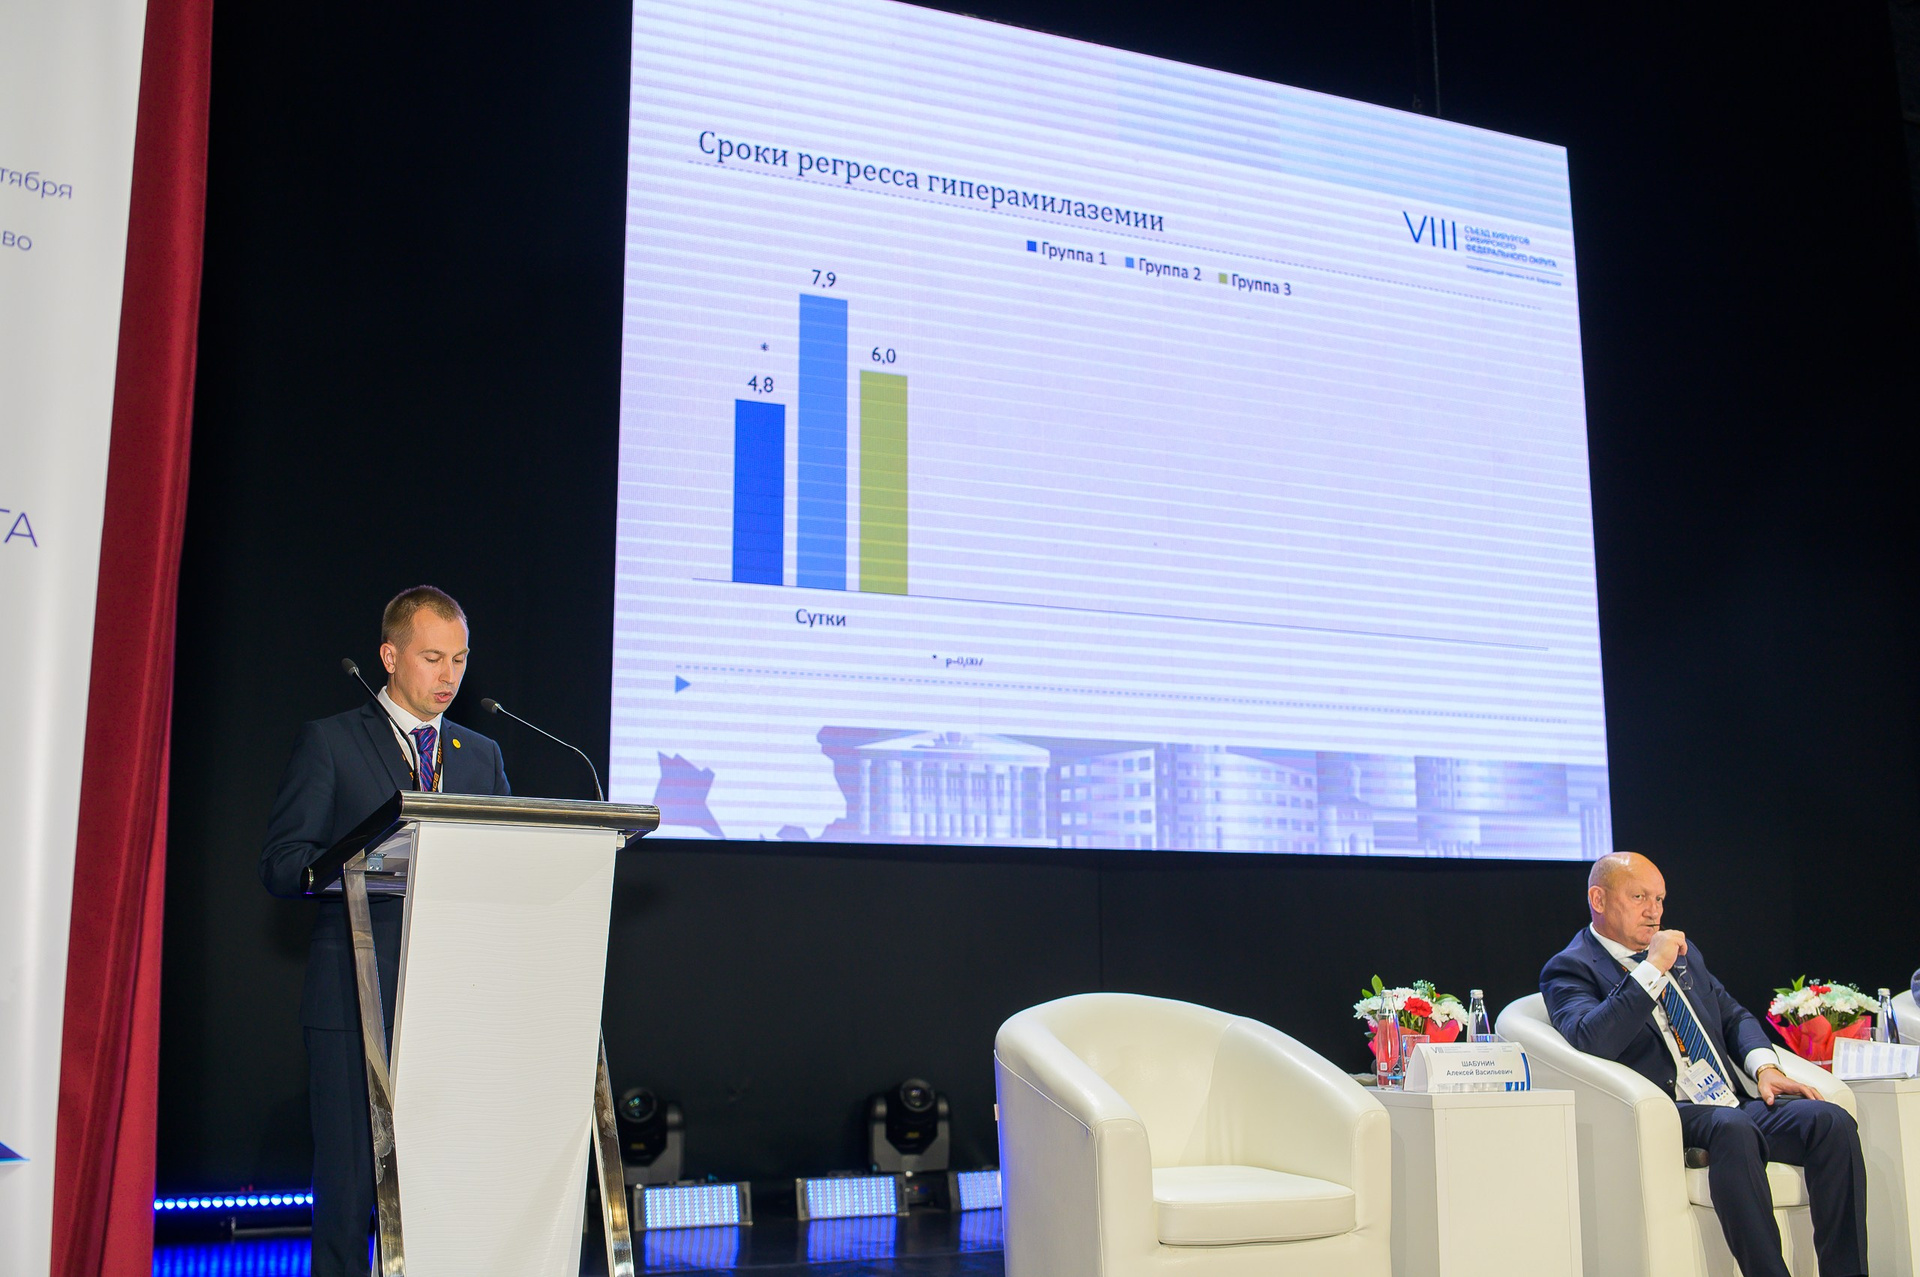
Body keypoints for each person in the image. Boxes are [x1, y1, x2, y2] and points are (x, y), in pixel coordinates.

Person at [260, 586, 509, 1277]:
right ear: (390, 656)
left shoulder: (480, 753)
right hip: (354, 998)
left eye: (459, 659)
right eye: (432, 658)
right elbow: (283, 863)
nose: (449, 675)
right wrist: (365, 863)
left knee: (441, 1182)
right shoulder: (332, 741)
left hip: (452, 1003)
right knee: (347, 1190)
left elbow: (503, 861)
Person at [1541, 851, 1866, 1277]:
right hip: (1667, 1111)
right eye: (1639, 897)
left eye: (1660, 899)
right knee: (1733, 1128)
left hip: (1728, 1100)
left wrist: (1766, 1069)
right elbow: (1593, 1038)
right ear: (1598, 899)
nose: (1654, 911)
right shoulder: (1571, 967)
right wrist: (1652, 969)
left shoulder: (1684, 954)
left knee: (1831, 1122)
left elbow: (1733, 1016)